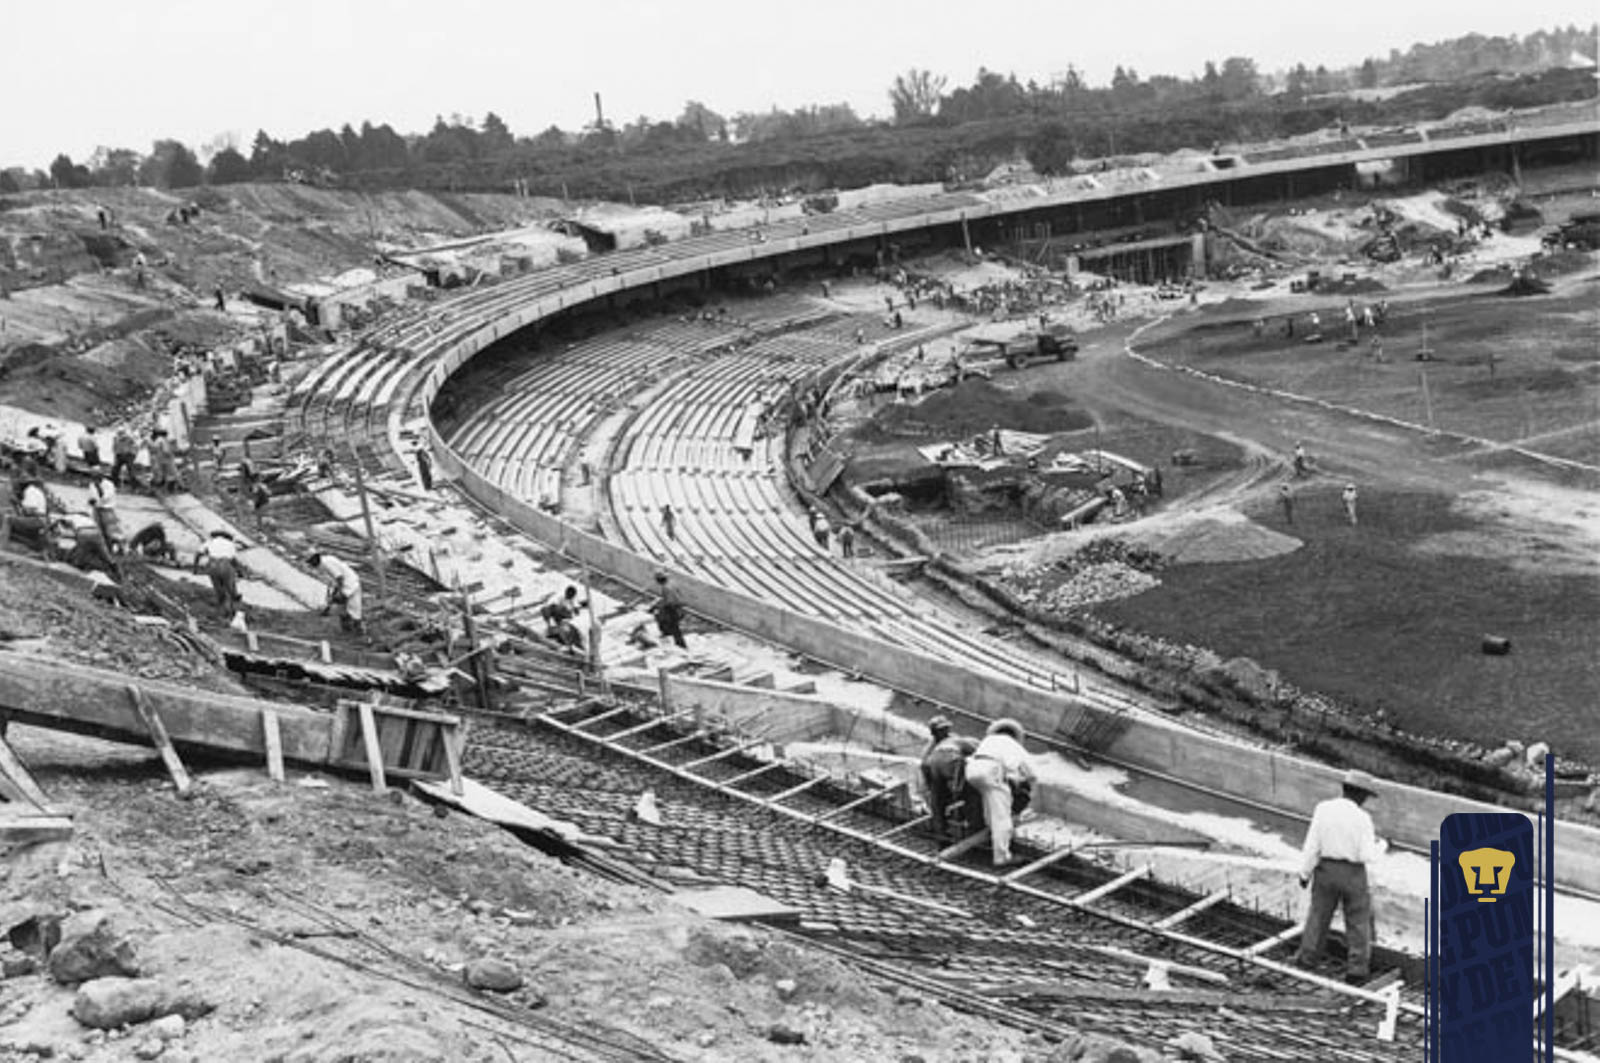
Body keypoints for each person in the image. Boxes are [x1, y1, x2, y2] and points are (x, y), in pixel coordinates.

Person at [1294, 768, 1381, 983]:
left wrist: (1304, 873)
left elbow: (1312, 845)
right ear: (1361, 795)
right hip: (1353, 874)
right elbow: (1367, 854)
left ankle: (1307, 959)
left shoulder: (1323, 809)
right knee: (1358, 922)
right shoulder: (1363, 819)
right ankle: (1357, 970)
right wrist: (1383, 846)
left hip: (1326, 870)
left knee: (1318, 915)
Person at [963, 719, 1036, 867]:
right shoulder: (1013, 745)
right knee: (1002, 817)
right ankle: (1001, 857)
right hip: (990, 771)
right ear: (1014, 736)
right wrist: (1032, 791)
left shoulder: (988, 741)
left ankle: (991, 834)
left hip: (972, 770)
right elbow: (1031, 773)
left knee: (989, 806)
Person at [919, 716, 978, 839]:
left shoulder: (931, 747)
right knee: (971, 793)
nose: (944, 732)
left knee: (938, 802)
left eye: (945, 729)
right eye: (942, 730)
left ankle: (942, 832)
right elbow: (978, 752)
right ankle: (974, 827)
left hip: (935, 768)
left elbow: (925, 766)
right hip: (948, 763)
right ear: (935, 732)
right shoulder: (955, 740)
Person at [308, 552, 365, 634]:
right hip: (350, 583)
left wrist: (338, 592)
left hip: (350, 585)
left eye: (313, 565)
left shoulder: (326, 564)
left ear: (316, 562)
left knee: (350, 608)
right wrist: (335, 592)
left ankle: (357, 631)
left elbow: (340, 578)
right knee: (347, 608)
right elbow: (337, 580)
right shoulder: (326, 560)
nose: (314, 568)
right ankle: (348, 630)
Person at [195, 530, 243, 619]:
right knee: (230, 589)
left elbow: (198, 554)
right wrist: (240, 572)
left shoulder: (210, 542)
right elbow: (233, 560)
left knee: (219, 589)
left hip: (213, 565)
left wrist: (195, 568)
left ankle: (221, 611)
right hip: (225, 564)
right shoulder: (230, 544)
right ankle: (233, 611)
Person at [541, 585, 587, 653]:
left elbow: (576, 610)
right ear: (566, 592)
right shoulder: (559, 598)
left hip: (566, 619)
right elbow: (552, 607)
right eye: (570, 595)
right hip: (558, 616)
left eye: (572, 596)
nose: (571, 597)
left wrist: (575, 611)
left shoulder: (572, 601)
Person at [650, 571, 687, 649]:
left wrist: (660, 606)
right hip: (679, 606)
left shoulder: (666, 588)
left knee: (674, 627)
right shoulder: (672, 583)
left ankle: (680, 645)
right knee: (671, 625)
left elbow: (670, 601)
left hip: (673, 608)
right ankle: (677, 641)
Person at [89, 474, 122, 552]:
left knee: (111, 531)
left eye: (96, 479)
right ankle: (104, 548)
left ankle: (120, 548)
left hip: (107, 509)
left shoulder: (109, 485)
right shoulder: (92, 484)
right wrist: (92, 500)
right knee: (99, 530)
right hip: (97, 509)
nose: (95, 481)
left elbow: (106, 497)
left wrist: (98, 497)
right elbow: (92, 496)